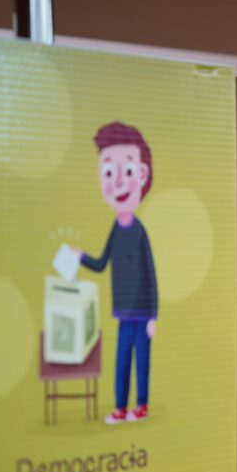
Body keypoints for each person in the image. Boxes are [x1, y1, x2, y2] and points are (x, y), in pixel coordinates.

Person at [74, 122, 158, 424]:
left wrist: (154, 316)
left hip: (143, 314)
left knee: (141, 361)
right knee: (122, 361)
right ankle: (121, 408)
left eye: (128, 171)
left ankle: (141, 406)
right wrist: (79, 257)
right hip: (123, 313)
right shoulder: (116, 229)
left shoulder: (139, 231)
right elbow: (101, 263)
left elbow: (151, 275)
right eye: (109, 172)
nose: (119, 181)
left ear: (142, 175)